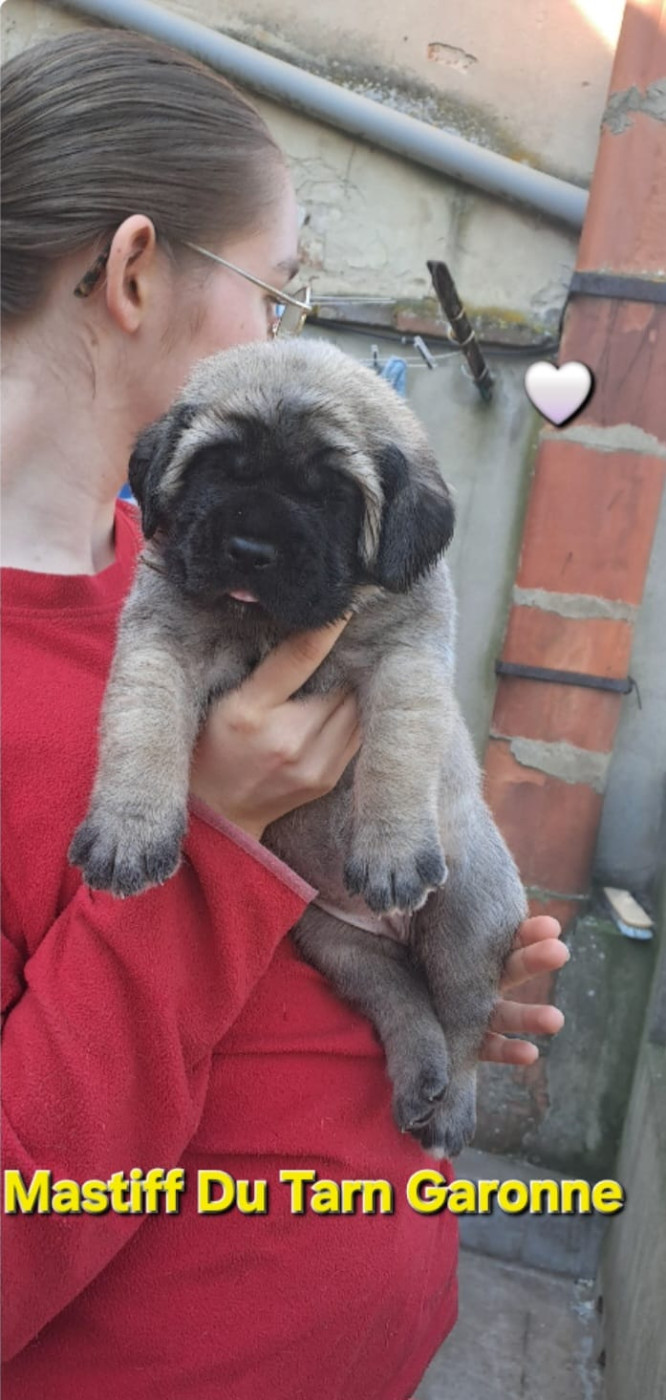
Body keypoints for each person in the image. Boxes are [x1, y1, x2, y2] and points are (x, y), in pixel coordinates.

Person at [1, 29, 568, 1400]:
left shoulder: (186, 585)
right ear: (135, 270)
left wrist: (409, 957)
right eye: (277, 283)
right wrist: (208, 834)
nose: (289, 329)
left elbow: (243, 982)